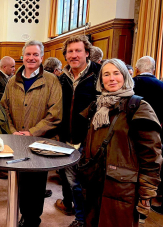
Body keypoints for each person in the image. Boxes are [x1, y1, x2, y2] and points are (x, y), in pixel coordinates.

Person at [79, 58, 162, 227]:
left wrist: (147, 192)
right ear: (101, 79)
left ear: (125, 76)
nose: (111, 78)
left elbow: (151, 155)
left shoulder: (138, 107)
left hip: (122, 188)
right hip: (94, 183)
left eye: (116, 73)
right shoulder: (96, 106)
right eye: (106, 74)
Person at [1, 40, 62, 227]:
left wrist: (32, 132)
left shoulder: (51, 81)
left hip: (40, 142)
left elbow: (55, 113)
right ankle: (24, 215)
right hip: (17, 142)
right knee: (20, 184)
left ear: (42, 57)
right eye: (28, 54)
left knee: (36, 186)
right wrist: (12, 132)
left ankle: (33, 220)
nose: (31, 58)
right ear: (23, 56)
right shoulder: (12, 81)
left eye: (36, 54)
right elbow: (4, 110)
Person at [57, 35, 101, 227]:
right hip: (66, 139)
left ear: (87, 53)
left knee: (89, 185)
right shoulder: (62, 78)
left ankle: (88, 219)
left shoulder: (100, 74)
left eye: (78, 51)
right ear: (65, 55)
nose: (74, 55)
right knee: (72, 182)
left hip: (90, 140)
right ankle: (79, 217)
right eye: (70, 51)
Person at [133, 56, 163, 218]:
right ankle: (144, 209)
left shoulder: (131, 83)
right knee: (150, 173)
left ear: (136, 69)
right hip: (156, 138)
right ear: (154, 69)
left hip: (131, 135)